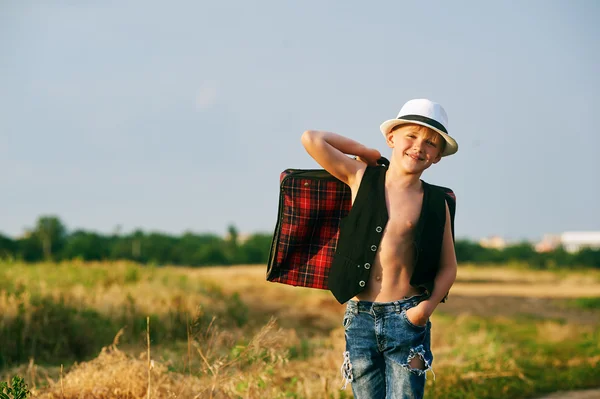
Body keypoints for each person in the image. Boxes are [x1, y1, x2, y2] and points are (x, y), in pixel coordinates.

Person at [300, 98, 459, 399]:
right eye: (411, 136)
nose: (419, 146)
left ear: (437, 156)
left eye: (430, 143)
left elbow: (448, 267)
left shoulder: (438, 201)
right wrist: (363, 152)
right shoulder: (361, 177)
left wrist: (422, 312)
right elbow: (312, 139)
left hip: (407, 317)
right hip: (359, 317)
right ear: (391, 138)